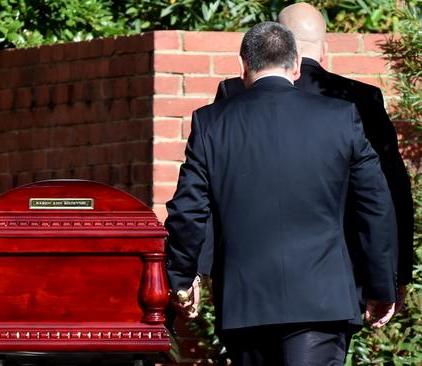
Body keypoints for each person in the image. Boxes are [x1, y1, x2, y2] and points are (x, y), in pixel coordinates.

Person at [165, 22, 397, 365]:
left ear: (243, 64)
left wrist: (183, 276)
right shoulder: (340, 117)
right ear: (297, 66)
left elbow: (189, 210)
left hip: (246, 305)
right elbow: (375, 207)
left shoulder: (211, 123)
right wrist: (380, 286)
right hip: (322, 301)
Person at [209, 3, 413, 312]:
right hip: (337, 278)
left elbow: (210, 188)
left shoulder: (234, 93)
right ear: (325, 47)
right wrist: (393, 274)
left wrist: (200, 270)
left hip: (246, 278)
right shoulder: (359, 99)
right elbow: (389, 190)